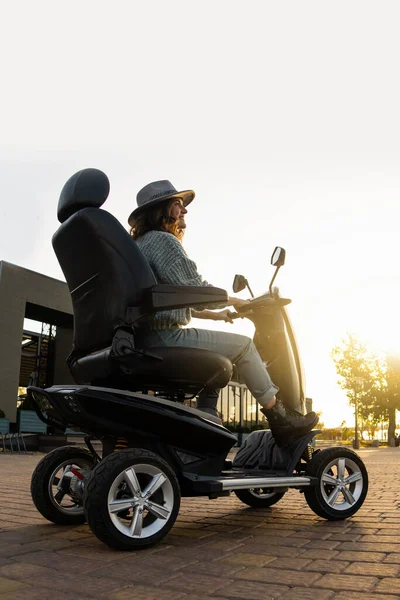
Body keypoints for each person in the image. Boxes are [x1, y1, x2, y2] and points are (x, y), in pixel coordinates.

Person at [128, 180, 318, 444]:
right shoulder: (163, 241)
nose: (184, 212)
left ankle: (207, 418)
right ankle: (280, 417)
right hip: (163, 336)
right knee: (243, 347)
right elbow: (195, 288)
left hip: (148, 336)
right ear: (165, 210)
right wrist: (232, 300)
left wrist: (219, 315)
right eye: (178, 205)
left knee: (220, 359)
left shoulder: (142, 243)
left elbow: (175, 299)